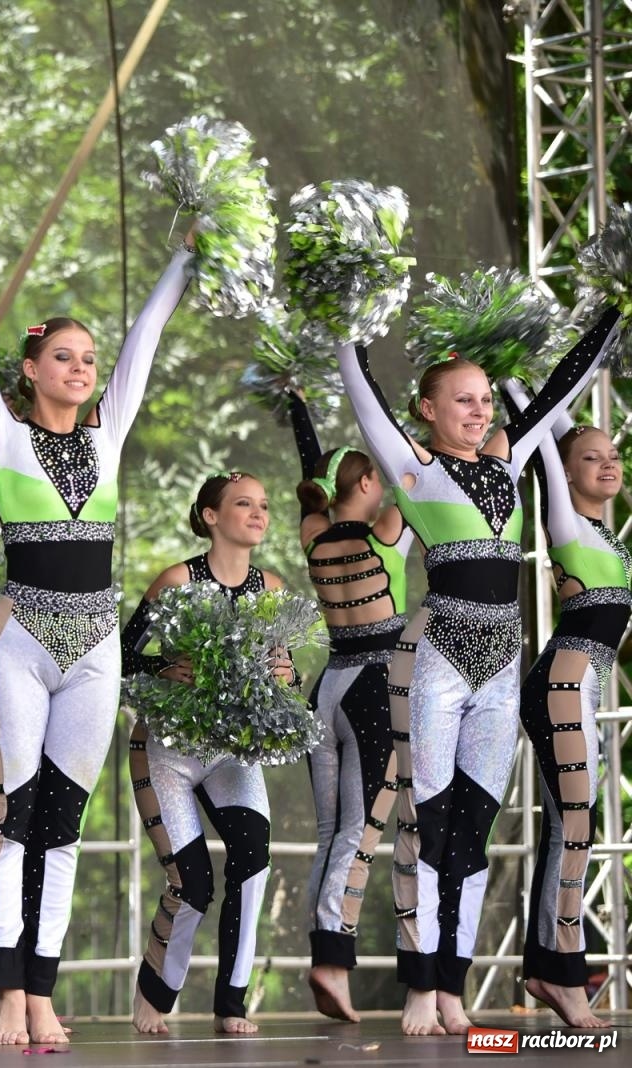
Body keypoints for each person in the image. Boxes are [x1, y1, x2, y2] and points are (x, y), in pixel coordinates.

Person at [0, 231, 193, 1044]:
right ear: (30, 369)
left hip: (95, 645)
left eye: (88, 357)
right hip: (21, 639)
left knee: (63, 824)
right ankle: (0, 989)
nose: (82, 367)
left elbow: (148, 337)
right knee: (11, 816)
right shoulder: (3, 434)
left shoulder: (107, 435)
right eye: (64, 356)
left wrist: (188, 252)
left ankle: (42, 987)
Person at [335, 305, 620, 1035]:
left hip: (501, 663)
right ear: (427, 410)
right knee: (424, 823)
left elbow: (564, 384)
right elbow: (360, 386)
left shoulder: (510, 460)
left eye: (485, 400)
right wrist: (349, 315)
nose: (479, 410)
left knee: (473, 832)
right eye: (463, 399)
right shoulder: (412, 467)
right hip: (435, 657)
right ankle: (419, 985)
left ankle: (454, 990)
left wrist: (614, 310)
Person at [121, 472, 290, 1035]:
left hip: (232, 753)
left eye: (264, 505)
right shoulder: (175, 579)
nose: (258, 512)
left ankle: (232, 1005)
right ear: (211, 516)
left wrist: (285, 673)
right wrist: (164, 668)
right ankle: (155, 991)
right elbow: (122, 659)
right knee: (192, 884)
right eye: (244, 503)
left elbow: (282, 670)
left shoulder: (272, 588)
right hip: (166, 749)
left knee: (254, 861)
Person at [500, 384, 625, 1030]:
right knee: (577, 824)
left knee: (569, 826)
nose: (608, 464)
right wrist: (513, 374)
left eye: (615, 456)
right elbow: (551, 434)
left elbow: (571, 436)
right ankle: (564, 969)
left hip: (580, 688)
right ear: (566, 474)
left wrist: (578, 435)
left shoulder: (604, 534)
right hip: (563, 688)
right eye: (592, 459)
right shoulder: (567, 523)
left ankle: (548, 966)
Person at [287, 392, 414, 1021]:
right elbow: (420, 471)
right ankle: (332, 960)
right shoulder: (389, 527)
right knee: (362, 833)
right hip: (374, 687)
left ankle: (323, 950)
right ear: (366, 481)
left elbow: (315, 473)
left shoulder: (314, 531)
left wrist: (299, 409)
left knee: (330, 834)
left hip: (328, 685)